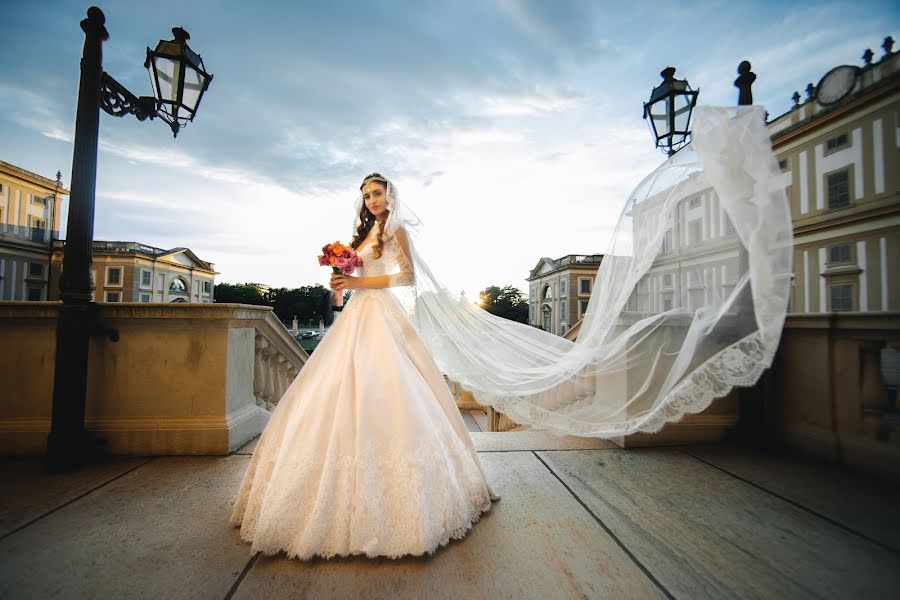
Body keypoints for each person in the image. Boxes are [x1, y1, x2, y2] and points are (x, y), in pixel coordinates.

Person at [229, 173, 500, 562]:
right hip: (357, 315)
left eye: (378, 192)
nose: (372, 199)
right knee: (334, 391)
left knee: (387, 388)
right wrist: (340, 281)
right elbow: (351, 287)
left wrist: (359, 283)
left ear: (391, 194)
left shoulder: (397, 230)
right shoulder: (365, 232)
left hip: (381, 315)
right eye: (367, 195)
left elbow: (407, 277)